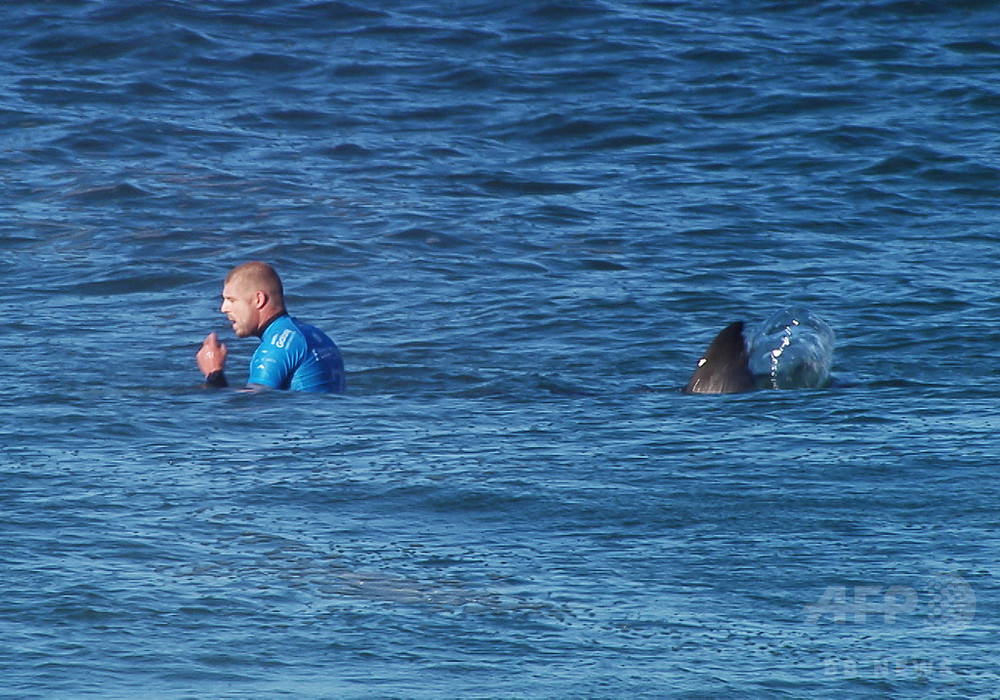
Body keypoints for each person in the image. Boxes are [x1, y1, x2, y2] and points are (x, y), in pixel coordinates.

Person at [196, 261, 346, 393]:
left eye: (231, 300)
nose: (223, 308)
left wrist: (214, 373)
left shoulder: (275, 347)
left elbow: (253, 410)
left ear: (259, 300)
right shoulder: (315, 335)